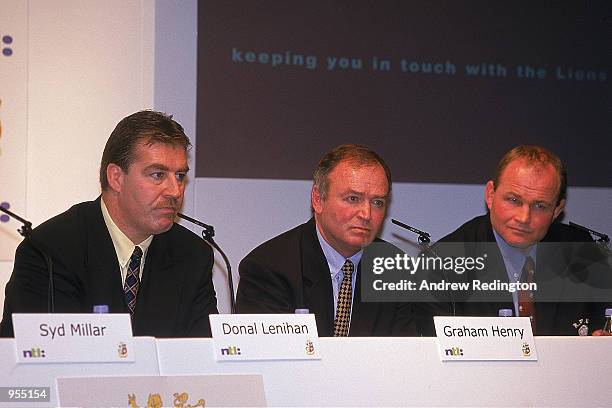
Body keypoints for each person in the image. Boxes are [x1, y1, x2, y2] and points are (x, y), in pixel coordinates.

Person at [0, 110, 218, 338]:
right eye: (157, 175)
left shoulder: (192, 256)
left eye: (180, 176)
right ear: (116, 177)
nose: (175, 191)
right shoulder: (51, 251)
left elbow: (202, 359)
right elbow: (35, 357)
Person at [426, 145, 609, 336]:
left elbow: (604, 322)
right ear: (490, 195)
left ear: (556, 210)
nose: (524, 217)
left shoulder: (581, 253)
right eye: (513, 200)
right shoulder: (443, 264)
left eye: (539, 205)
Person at [235, 144, 415, 336]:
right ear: (318, 199)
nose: (366, 214)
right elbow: (271, 361)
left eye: (378, 202)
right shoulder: (269, 268)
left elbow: (404, 358)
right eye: (353, 199)